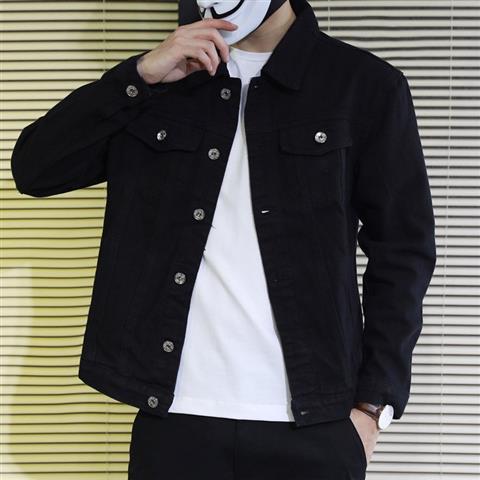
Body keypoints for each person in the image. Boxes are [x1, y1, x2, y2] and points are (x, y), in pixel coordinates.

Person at [10, 0, 437, 479]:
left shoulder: (364, 85)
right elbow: (35, 169)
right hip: (175, 420)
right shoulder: (165, 79)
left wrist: (373, 406)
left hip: (316, 428)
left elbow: (403, 251)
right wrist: (140, 76)